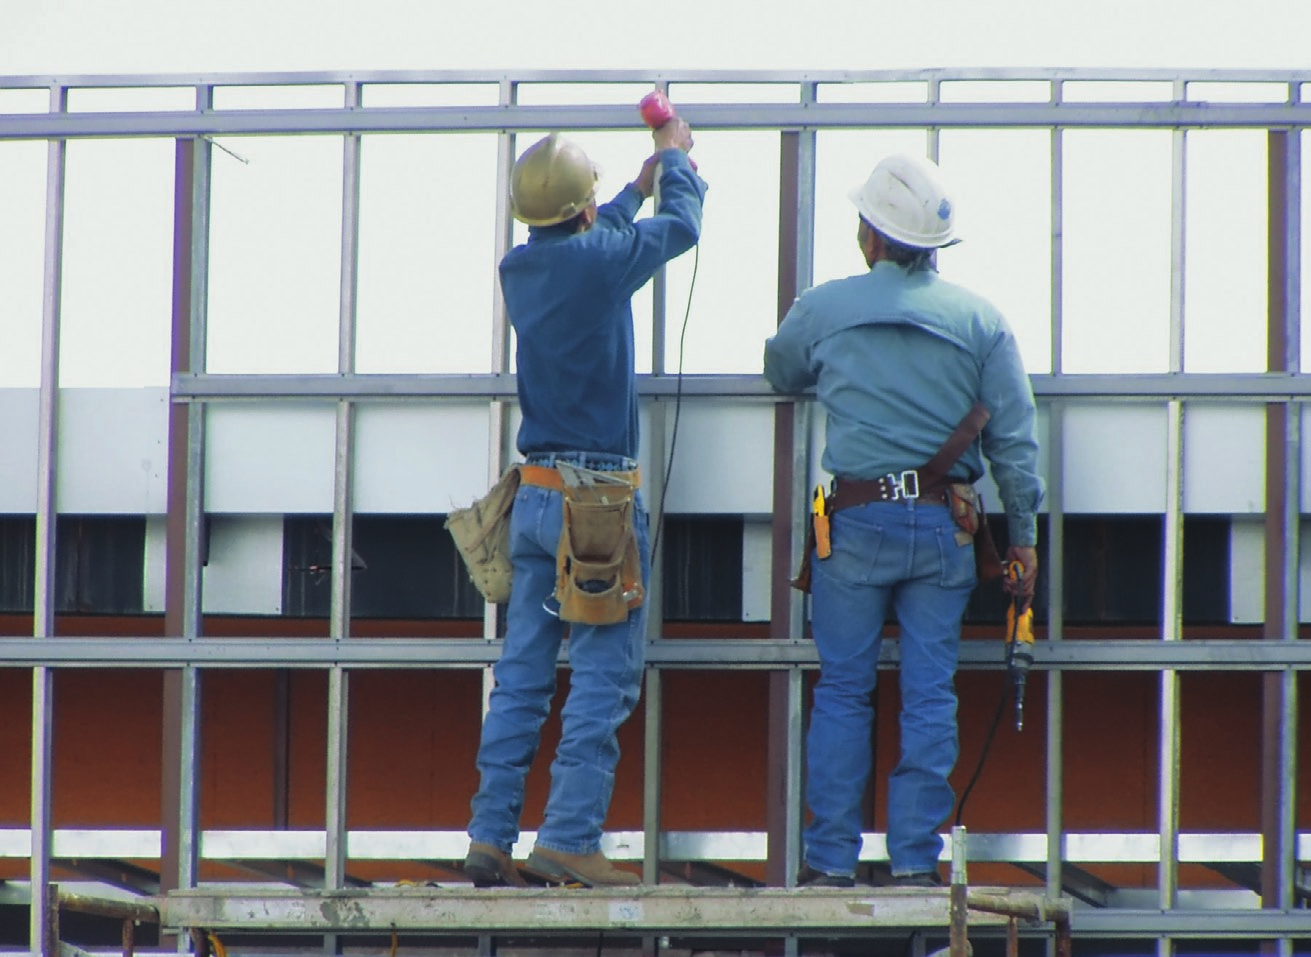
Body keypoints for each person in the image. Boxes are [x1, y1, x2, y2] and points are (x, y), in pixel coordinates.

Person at [762, 153, 1042, 888]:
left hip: (853, 523)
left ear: (868, 234)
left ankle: (829, 862)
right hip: (943, 525)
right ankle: (916, 862)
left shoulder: (825, 305)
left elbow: (780, 369)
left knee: (843, 690)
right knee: (929, 692)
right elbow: (1014, 441)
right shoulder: (980, 320)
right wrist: (1024, 541)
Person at [463, 122, 705, 888]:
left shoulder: (519, 268)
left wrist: (631, 191)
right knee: (602, 675)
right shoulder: (599, 261)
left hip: (533, 501)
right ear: (581, 207)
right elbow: (684, 225)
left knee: (523, 677)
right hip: (596, 505)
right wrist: (673, 157)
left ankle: (489, 837)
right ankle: (567, 837)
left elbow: (594, 239)